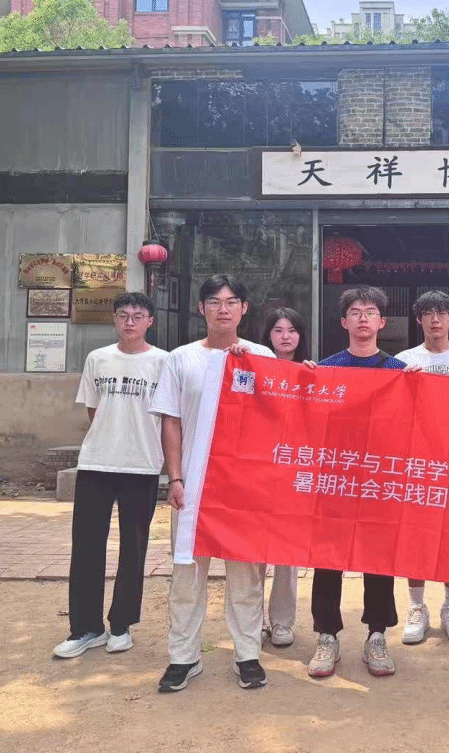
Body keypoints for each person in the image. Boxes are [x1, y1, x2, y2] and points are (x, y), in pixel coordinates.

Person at [149, 275, 277, 693]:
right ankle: (183, 657)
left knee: (247, 576)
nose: (224, 309)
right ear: (201, 308)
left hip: (244, 487)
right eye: (215, 302)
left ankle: (248, 655)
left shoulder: (261, 356)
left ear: (244, 309)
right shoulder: (180, 358)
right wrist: (175, 477)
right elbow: (171, 421)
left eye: (232, 301)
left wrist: (260, 368)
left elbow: (281, 414)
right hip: (194, 484)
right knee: (187, 574)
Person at [53, 292, 167, 660]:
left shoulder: (163, 362)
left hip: (141, 465)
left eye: (138, 315)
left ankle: (121, 625)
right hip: (97, 463)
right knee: (86, 547)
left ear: (150, 321)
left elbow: (169, 417)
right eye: (123, 315)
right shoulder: (97, 359)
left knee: (134, 548)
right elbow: (94, 410)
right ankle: (86, 628)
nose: (130, 322)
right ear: (114, 320)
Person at [308, 285, 406, 680]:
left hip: (378, 480)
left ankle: (377, 635)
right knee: (327, 557)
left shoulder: (400, 372)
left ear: (382, 322)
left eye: (370, 312)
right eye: (355, 312)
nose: (363, 318)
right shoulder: (327, 369)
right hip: (335, 478)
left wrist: (419, 388)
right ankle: (327, 635)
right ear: (343, 321)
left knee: (378, 557)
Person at [394, 290, 449, 645]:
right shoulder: (403, 360)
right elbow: (394, 412)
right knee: (416, 533)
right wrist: (405, 383)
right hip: (417, 460)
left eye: (442, 313)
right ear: (419, 320)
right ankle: (417, 606)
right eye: (428, 313)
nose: (435, 319)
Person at [256, 307, 309, 647]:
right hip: (257, 472)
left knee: (287, 553)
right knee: (253, 551)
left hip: (294, 472)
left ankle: (282, 622)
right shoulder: (253, 369)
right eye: (278, 330)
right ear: (268, 335)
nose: (285, 336)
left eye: (292, 330)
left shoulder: (312, 373)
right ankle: (251, 621)